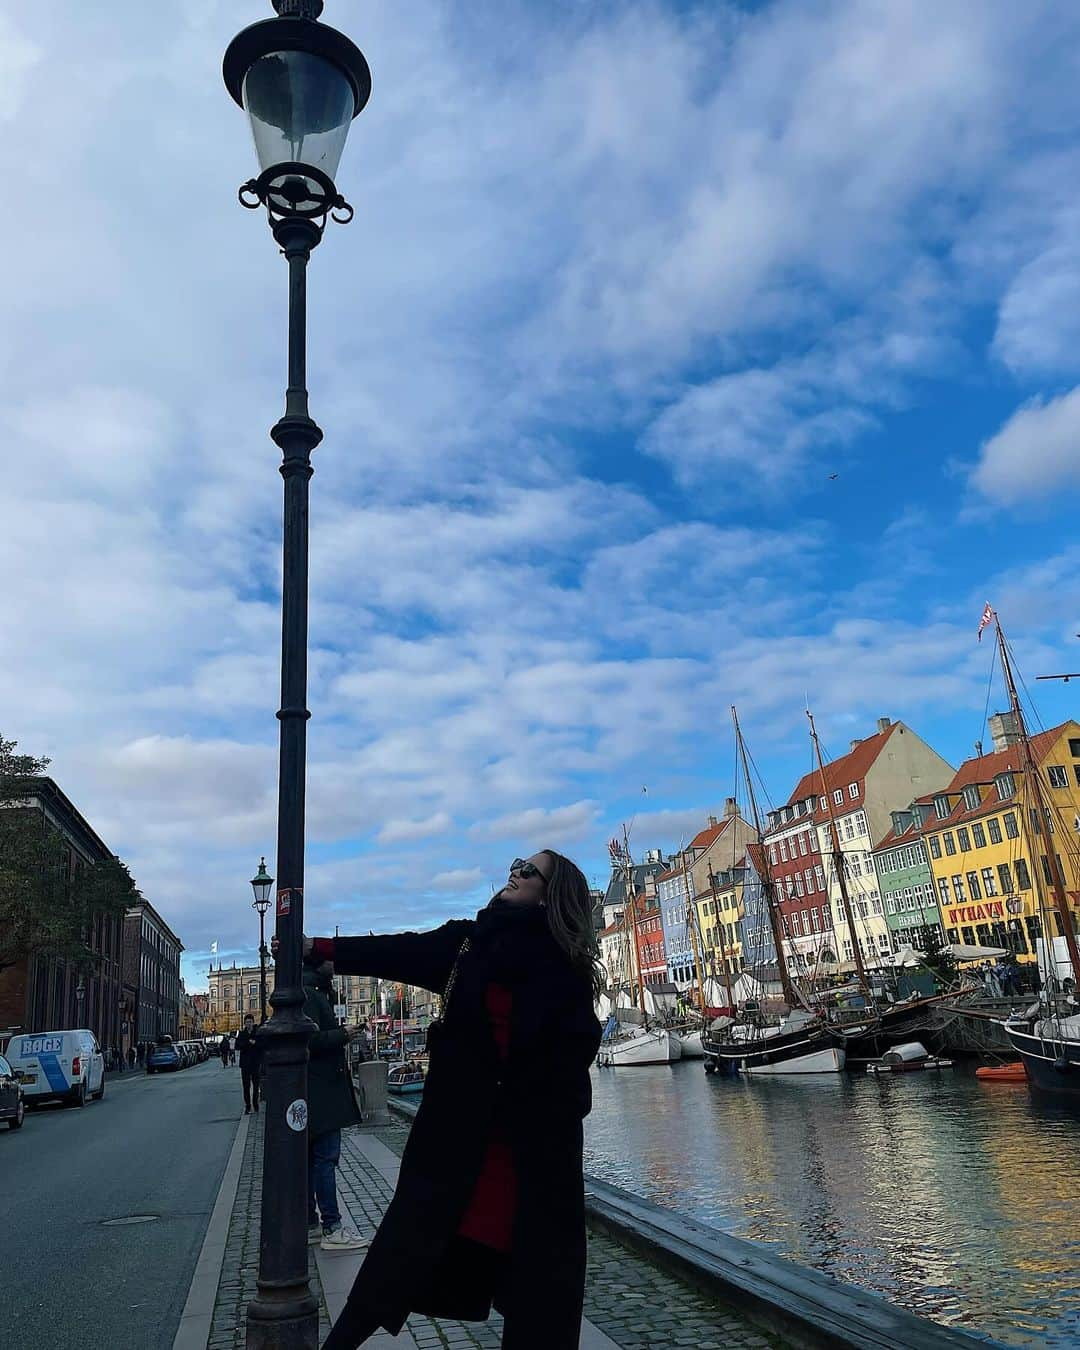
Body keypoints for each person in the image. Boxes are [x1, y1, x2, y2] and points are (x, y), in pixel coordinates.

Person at [317, 850, 603, 1350]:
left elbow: (575, 1063)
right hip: (455, 1143)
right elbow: (398, 951)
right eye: (515, 865)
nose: (514, 873)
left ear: (552, 894)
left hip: (534, 1157)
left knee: (538, 1293)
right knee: (394, 1265)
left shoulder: (565, 967)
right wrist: (318, 948)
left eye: (528, 871)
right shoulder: (471, 942)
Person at [303, 954, 368, 1252]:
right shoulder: (310, 994)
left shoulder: (310, 990)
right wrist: (343, 1034)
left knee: (311, 1159)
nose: (335, 963)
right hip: (322, 1090)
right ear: (319, 964)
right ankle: (332, 1227)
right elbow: (310, 1041)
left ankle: (311, 1223)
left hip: (314, 1089)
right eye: (330, 959)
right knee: (325, 1159)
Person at [235, 1015, 262, 1113]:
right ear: (245, 1023)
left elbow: (262, 1045)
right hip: (245, 1064)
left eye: (250, 1022)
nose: (248, 1024)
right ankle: (247, 1105)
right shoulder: (242, 1034)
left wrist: (255, 1043)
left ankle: (255, 1103)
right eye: (247, 1022)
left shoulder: (257, 1033)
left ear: (253, 1022)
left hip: (255, 1063)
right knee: (246, 1086)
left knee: (256, 1085)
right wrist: (247, 1043)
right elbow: (237, 1046)